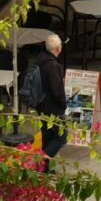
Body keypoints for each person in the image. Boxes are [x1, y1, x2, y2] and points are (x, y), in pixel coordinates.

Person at [35, 33, 67, 164]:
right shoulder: (53, 65)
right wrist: (64, 103)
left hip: (41, 104)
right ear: (58, 48)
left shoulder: (40, 59)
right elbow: (57, 90)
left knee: (47, 136)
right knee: (61, 136)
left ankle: (44, 169)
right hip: (52, 107)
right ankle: (41, 162)